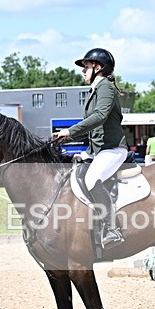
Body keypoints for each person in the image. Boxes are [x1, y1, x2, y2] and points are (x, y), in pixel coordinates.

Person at [54, 47, 126, 248]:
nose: (83, 71)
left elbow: (100, 117)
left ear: (98, 67)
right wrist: (64, 139)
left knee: (92, 179)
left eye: (86, 67)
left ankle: (112, 229)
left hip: (113, 149)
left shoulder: (106, 87)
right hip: (99, 150)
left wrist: (70, 131)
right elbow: (92, 128)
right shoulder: (94, 90)